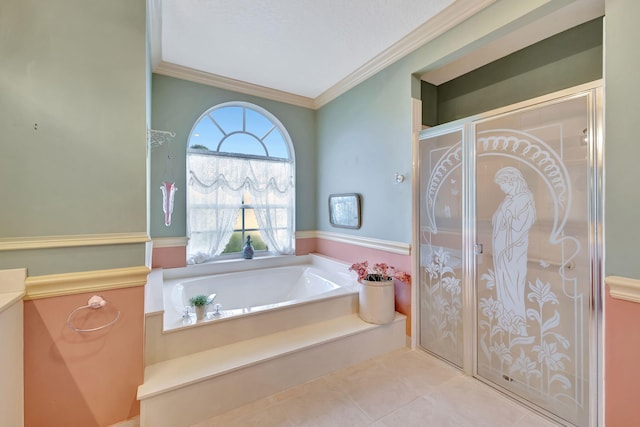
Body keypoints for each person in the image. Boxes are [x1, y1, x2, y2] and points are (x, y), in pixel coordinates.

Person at [491, 167, 536, 336]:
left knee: (513, 283)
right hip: (501, 250)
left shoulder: (524, 198)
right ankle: (506, 322)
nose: (502, 189)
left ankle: (518, 326)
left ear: (513, 182)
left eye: (503, 185)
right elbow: (496, 219)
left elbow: (522, 224)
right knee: (503, 283)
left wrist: (509, 217)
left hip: (513, 251)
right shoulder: (508, 200)